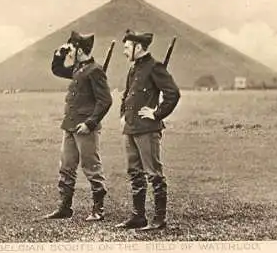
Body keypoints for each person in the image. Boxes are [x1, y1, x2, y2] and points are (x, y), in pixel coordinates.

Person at [115, 29, 181, 230]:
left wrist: (156, 113)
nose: (125, 52)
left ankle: (159, 219)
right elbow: (127, 94)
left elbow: (173, 93)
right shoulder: (133, 69)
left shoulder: (155, 67)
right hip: (131, 128)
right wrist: (122, 115)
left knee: (154, 174)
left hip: (147, 130)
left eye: (127, 48)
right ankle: (138, 216)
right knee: (134, 172)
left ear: (139, 47)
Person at [44, 30, 113, 221]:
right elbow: (57, 70)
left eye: (72, 48)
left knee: (91, 167)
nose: (69, 51)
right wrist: (59, 55)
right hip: (70, 126)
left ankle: (98, 210)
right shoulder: (78, 69)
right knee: (66, 166)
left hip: (85, 128)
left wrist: (90, 124)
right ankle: (64, 208)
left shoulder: (95, 70)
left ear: (80, 49)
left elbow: (105, 101)